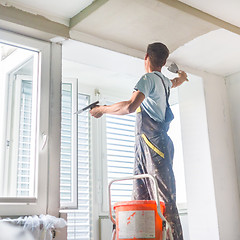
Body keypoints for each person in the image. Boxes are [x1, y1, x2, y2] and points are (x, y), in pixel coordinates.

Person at [90, 42, 188, 240]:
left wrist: (101, 109)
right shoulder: (164, 82)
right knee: (141, 196)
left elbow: (129, 106)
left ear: (146, 58)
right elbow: (175, 82)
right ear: (164, 61)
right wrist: (182, 77)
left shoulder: (148, 78)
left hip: (153, 145)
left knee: (164, 201)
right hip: (150, 145)